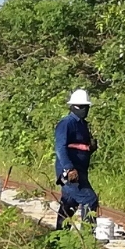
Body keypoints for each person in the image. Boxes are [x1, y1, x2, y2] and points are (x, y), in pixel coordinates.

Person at [54, 89, 99, 229]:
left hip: (80, 170)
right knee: (89, 199)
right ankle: (87, 236)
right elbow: (60, 147)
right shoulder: (66, 123)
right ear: (72, 107)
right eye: (80, 107)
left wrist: (90, 148)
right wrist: (69, 168)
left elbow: (80, 147)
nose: (84, 110)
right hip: (70, 171)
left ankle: (58, 239)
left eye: (86, 107)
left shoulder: (83, 124)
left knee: (69, 203)